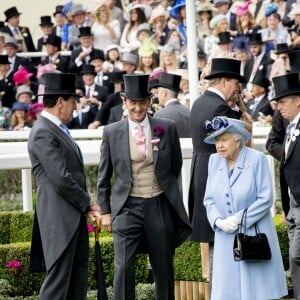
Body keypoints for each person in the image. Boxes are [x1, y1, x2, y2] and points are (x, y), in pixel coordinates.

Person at [97, 74, 191, 300]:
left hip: (158, 204)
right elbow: (104, 176)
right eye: (133, 102)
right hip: (127, 207)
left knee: (163, 266)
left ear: (150, 101)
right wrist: (106, 212)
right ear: (124, 101)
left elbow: (174, 165)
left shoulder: (165, 127)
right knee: (123, 268)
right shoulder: (111, 132)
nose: (138, 108)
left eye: (142, 102)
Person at [28, 72, 101, 299]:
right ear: (61, 102)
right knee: (58, 286)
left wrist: (85, 206)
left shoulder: (55, 129)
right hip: (59, 219)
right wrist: (89, 202)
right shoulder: (42, 132)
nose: (75, 107)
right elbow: (61, 177)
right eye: (73, 101)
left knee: (76, 284)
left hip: (72, 216)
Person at [203, 116, 288, 300]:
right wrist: (218, 221)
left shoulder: (257, 159)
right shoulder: (213, 161)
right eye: (216, 140)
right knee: (228, 292)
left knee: (255, 292)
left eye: (224, 139)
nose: (219, 145)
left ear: (238, 139)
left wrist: (239, 218)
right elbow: (208, 199)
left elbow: (265, 198)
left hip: (252, 235)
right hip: (226, 238)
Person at [189, 58, 244, 245]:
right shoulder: (219, 107)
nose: (237, 89)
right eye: (235, 83)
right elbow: (236, 142)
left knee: (212, 240)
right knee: (223, 240)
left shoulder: (198, 102)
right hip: (218, 176)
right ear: (224, 81)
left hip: (200, 173)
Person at [272, 72, 300, 299]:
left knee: (296, 254)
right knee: (294, 260)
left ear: (297, 100)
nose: (279, 107)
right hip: (293, 204)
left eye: (282, 102)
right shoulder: (290, 127)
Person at [154, 72, 190, 138]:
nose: (157, 96)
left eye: (158, 92)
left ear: (165, 93)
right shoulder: (188, 111)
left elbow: (158, 140)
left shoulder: (160, 114)